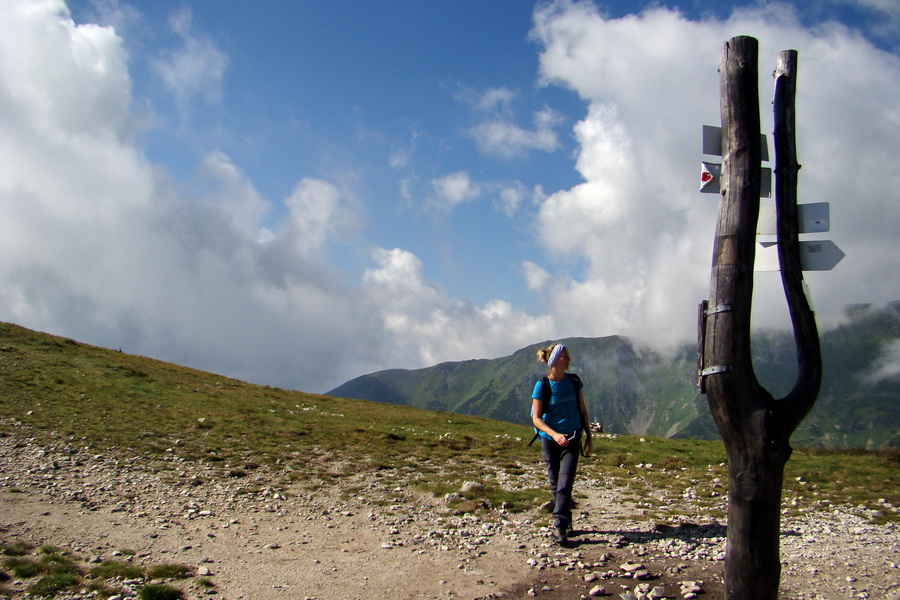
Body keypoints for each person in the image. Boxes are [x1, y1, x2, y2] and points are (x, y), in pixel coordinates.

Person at [531, 343, 593, 545]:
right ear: (555, 360)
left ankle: (559, 526)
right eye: (565, 356)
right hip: (550, 441)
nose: (569, 359)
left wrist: (589, 437)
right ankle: (565, 520)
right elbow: (536, 419)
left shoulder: (574, 382)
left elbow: (583, 410)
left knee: (565, 483)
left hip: (573, 438)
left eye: (568, 355)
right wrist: (555, 434)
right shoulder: (542, 385)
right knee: (556, 483)